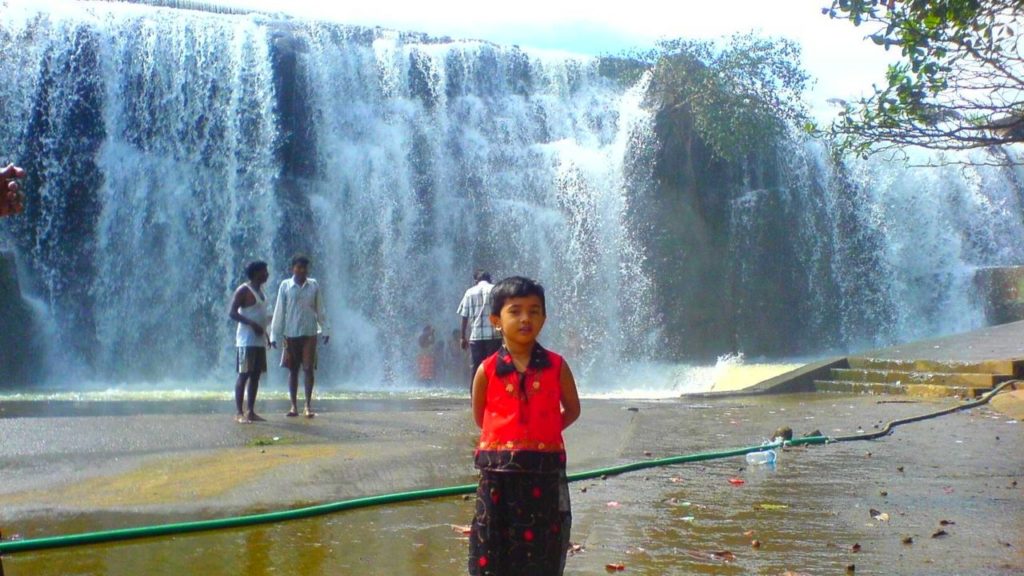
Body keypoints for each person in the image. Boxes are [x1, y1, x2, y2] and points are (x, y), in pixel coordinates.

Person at [468, 276, 581, 576]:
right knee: (493, 539)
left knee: (543, 543)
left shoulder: (557, 366)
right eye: (515, 311)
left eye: (534, 311)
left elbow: (573, 409)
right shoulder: (487, 369)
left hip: (543, 471)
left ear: (544, 317)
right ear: (496, 320)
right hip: (497, 474)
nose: (525, 319)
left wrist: (543, 431)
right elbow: (481, 416)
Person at [270, 255, 330, 418]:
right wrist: (274, 334)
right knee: (293, 370)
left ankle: (308, 406)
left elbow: (320, 309)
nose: (301, 270)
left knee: (308, 369)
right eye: (298, 267)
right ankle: (293, 406)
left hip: (310, 333)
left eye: (304, 267)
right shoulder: (285, 286)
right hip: (291, 333)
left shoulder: (313, 285)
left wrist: (326, 329)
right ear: (292, 268)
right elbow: (279, 311)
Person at [228, 261, 270, 423]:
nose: (267, 274)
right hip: (245, 340)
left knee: (255, 376)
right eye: (265, 271)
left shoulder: (262, 292)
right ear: (256, 273)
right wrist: (251, 324)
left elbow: (260, 315)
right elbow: (232, 313)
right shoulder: (244, 290)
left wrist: (266, 333)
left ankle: (251, 411)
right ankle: (239, 412)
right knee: (243, 375)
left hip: (258, 341)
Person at [457, 270, 502, 386]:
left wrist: (462, 337)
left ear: (476, 281)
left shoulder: (469, 292)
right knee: (494, 367)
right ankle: (493, 396)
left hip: (476, 337)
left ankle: (475, 399)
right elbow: (503, 312)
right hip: (494, 336)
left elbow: (464, 315)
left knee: (476, 368)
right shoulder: (496, 290)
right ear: (490, 279)